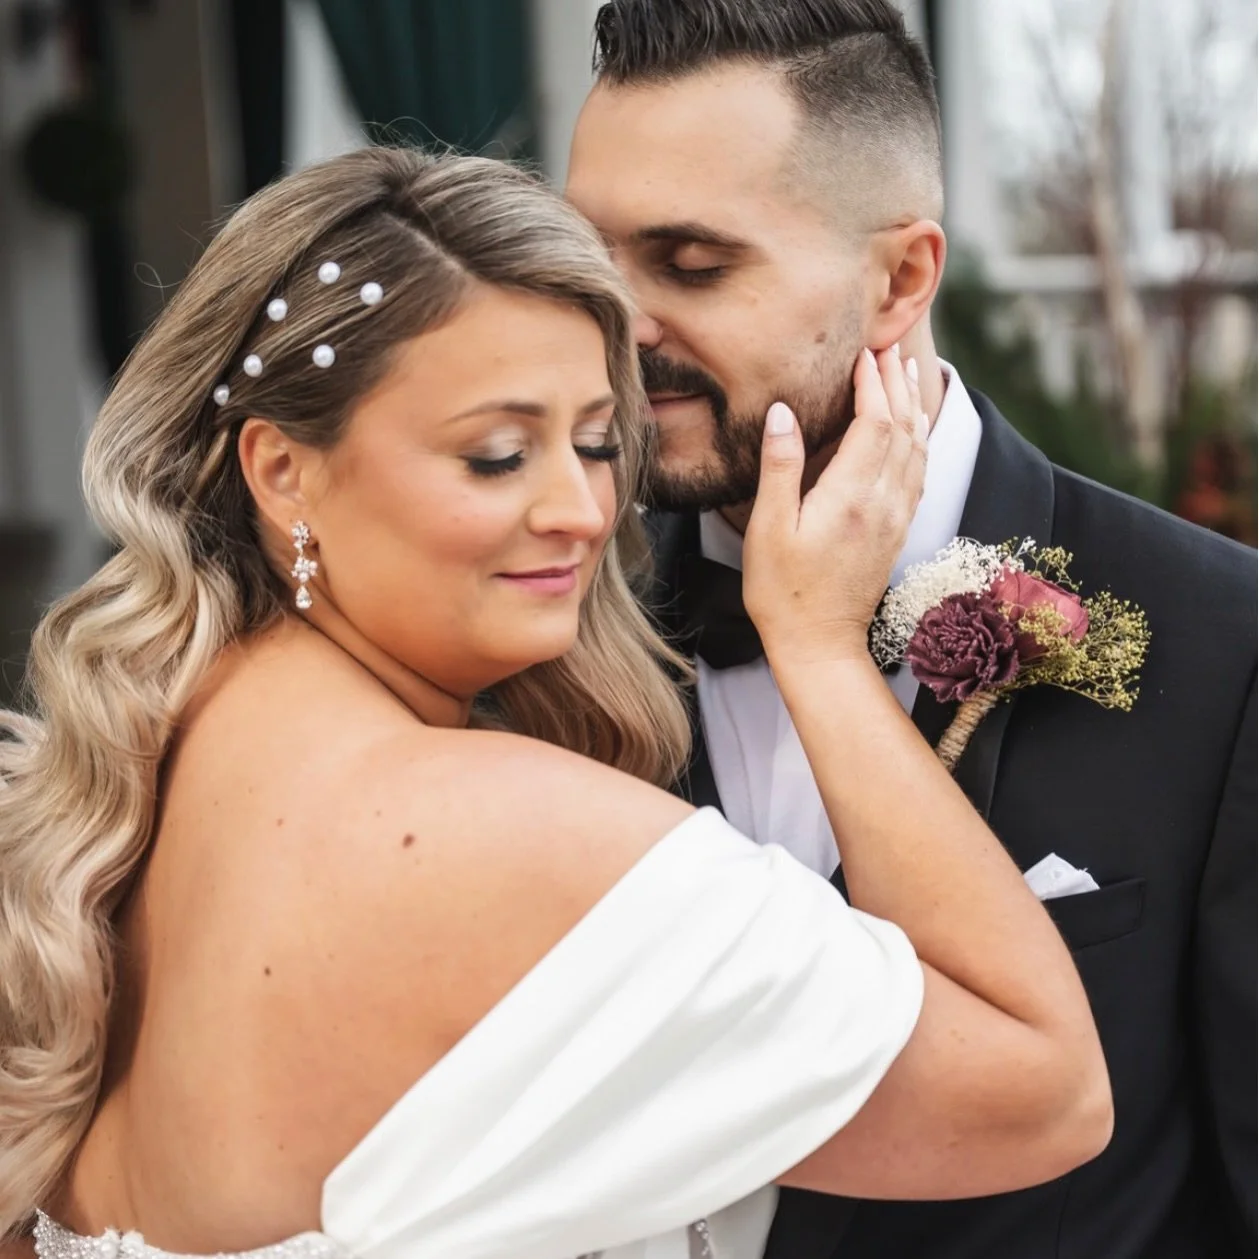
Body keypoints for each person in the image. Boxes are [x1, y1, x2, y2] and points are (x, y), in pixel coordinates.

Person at [0, 145, 1109, 1259]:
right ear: (282, 470)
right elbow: (1044, 1089)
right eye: (496, 455)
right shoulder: (489, 828)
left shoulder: (149, 767)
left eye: (593, 443)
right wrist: (818, 646)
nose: (581, 509)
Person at [565, 3, 1258, 1258]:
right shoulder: (545, 636)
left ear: (898, 279)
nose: (619, 322)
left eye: (691, 263)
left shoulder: (1224, 644)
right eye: (587, 258)